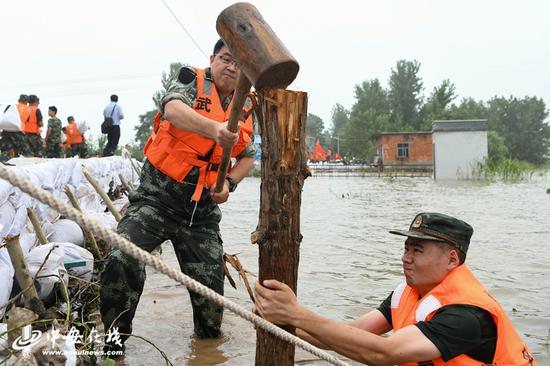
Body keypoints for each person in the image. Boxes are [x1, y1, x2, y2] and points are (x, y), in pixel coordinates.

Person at [99, 39, 255, 355]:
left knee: (211, 300)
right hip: (156, 201)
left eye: (239, 64)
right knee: (120, 257)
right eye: (226, 58)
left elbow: (249, 156)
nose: (231, 67)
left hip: (202, 214)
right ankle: (113, 350)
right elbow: (172, 109)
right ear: (213, 59)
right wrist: (215, 129)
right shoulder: (190, 78)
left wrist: (229, 183)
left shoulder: (249, 106)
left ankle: (208, 355)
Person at [254, 213, 537, 366]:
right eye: (405, 248)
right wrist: (276, 320)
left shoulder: (467, 314)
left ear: (451, 259)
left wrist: (295, 314)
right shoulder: (410, 292)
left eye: (417, 250)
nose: (405, 257)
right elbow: (352, 335)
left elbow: (384, 353)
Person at [0, 94, 32, 160]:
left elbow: (5, 116)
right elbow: (27, 121)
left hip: (6, 130)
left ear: (18, 100)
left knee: (6, 149)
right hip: (18, 132)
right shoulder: (28, 109)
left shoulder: (10, 106)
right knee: (25, 152)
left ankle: (2, 161)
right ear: (27, 102)